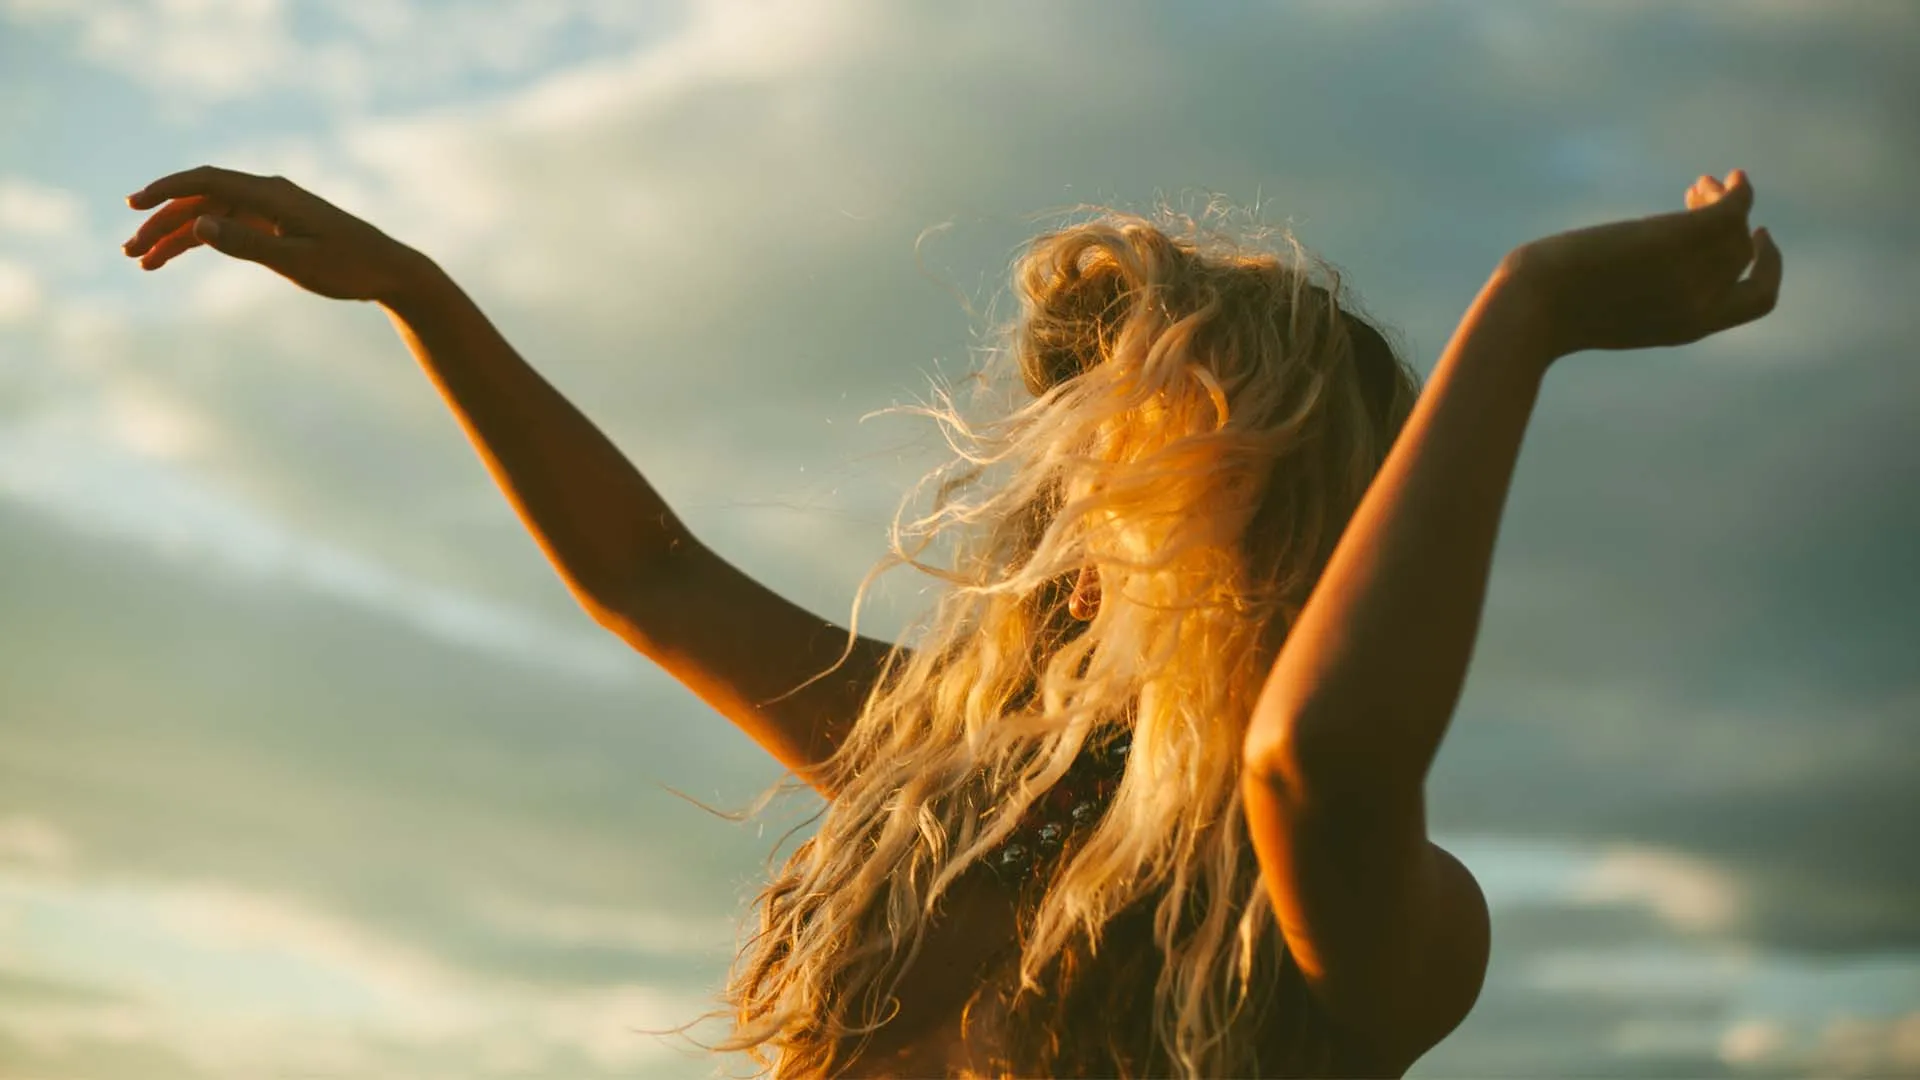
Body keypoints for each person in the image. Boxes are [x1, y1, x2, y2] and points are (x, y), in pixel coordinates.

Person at [122, 165, 1782, 1078]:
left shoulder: (1357, 908)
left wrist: (1529, 316)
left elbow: (1321, 759)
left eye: (1129, 496)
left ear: (1292, 552)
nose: (1060, 524)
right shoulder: (959, 783)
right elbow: (653, 575)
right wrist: (419, 285)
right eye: (1066, 483)